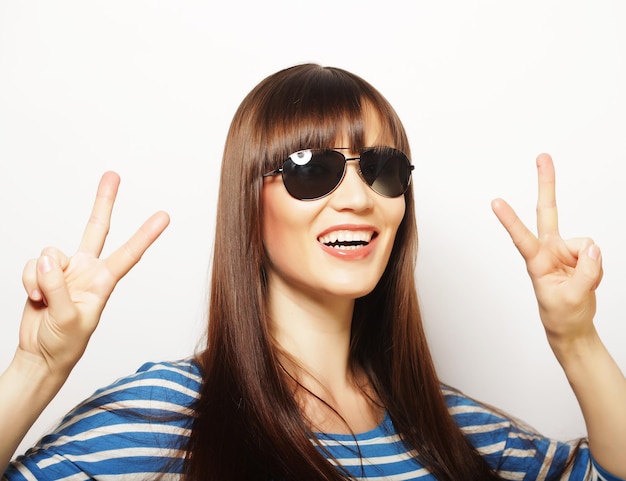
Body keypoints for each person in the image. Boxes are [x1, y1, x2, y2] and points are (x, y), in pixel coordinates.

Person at [1, 63, 625, 480]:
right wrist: (36, 368)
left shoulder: (453, 431)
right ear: (249, 200)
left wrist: (577, 338)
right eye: (311, 168)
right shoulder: (162, 419)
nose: (358, 198)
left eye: (383, 168)